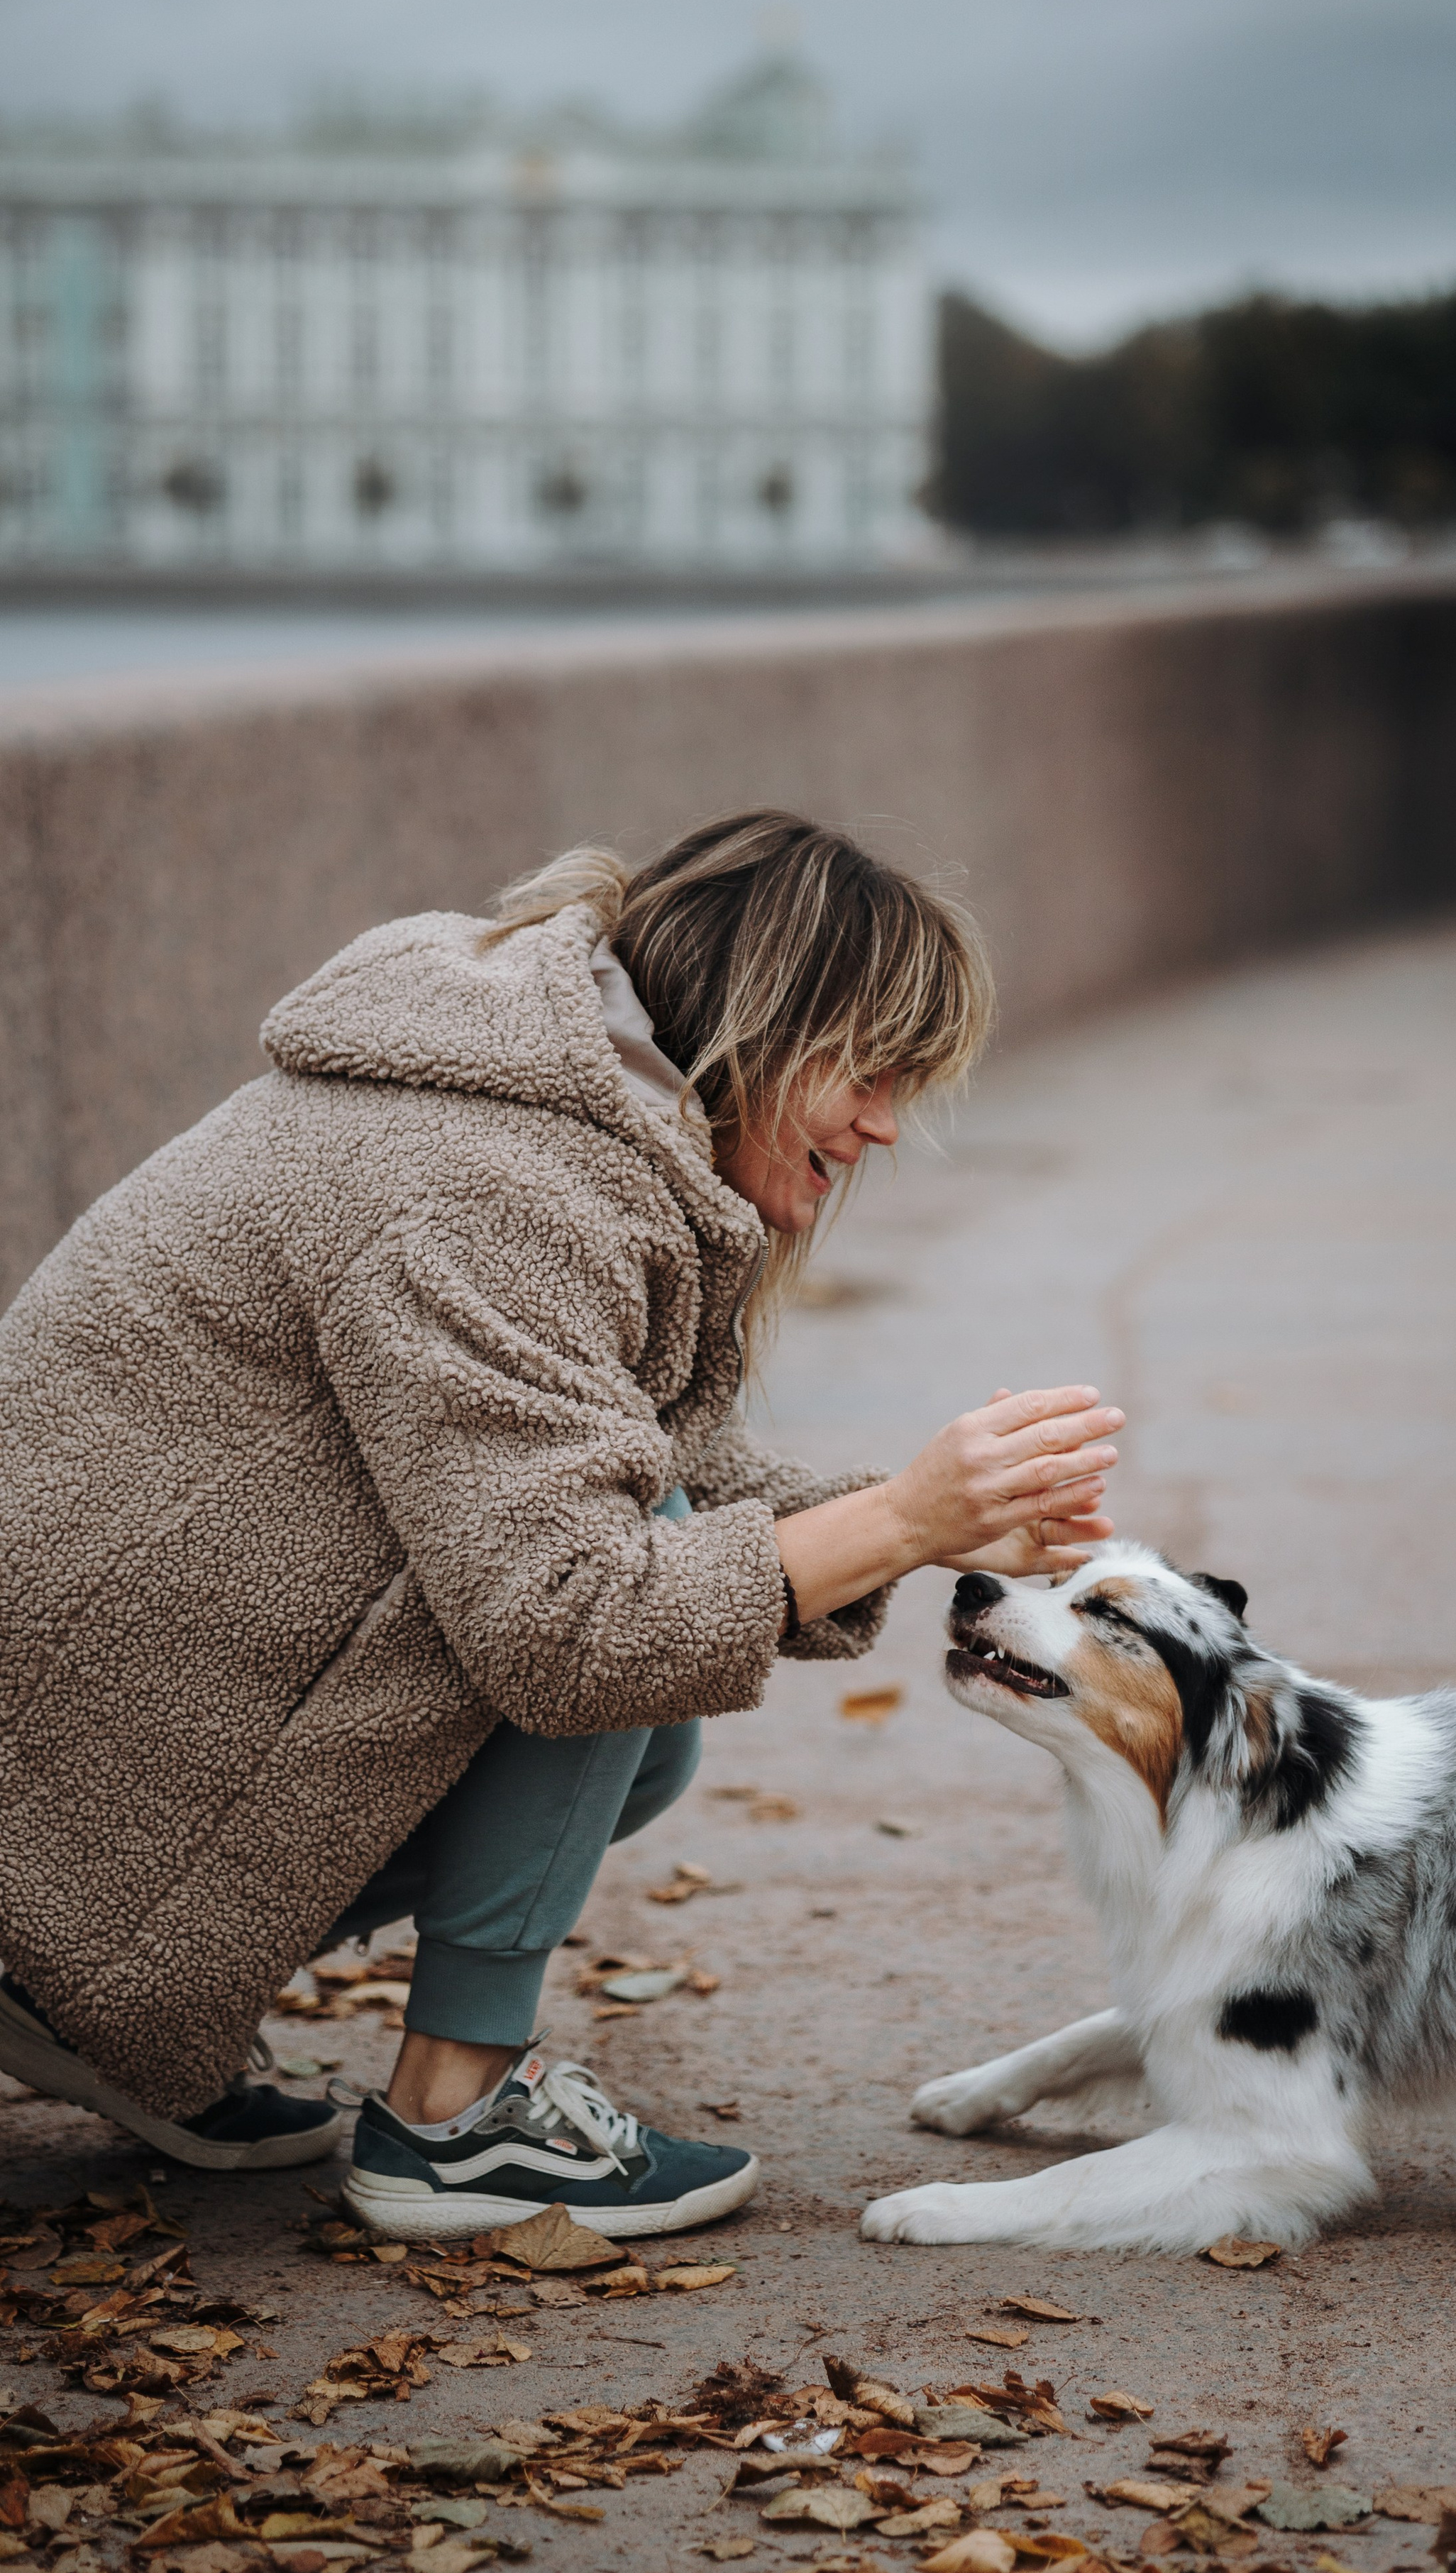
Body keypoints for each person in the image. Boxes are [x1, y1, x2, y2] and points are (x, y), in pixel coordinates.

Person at [0, 811, 1123, 2240]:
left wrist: (938, 1529)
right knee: (615, 1642)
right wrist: (902, 1516)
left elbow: (653, 1460)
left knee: (648, 1746)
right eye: (872, 1067)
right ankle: (454, 2113)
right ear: (757, 1018)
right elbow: (573, 1627)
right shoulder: (494, 1183)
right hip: (59, 1767)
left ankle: (98, 2004)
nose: (888, 1123)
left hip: (85, 1729)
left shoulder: (558, 1116)